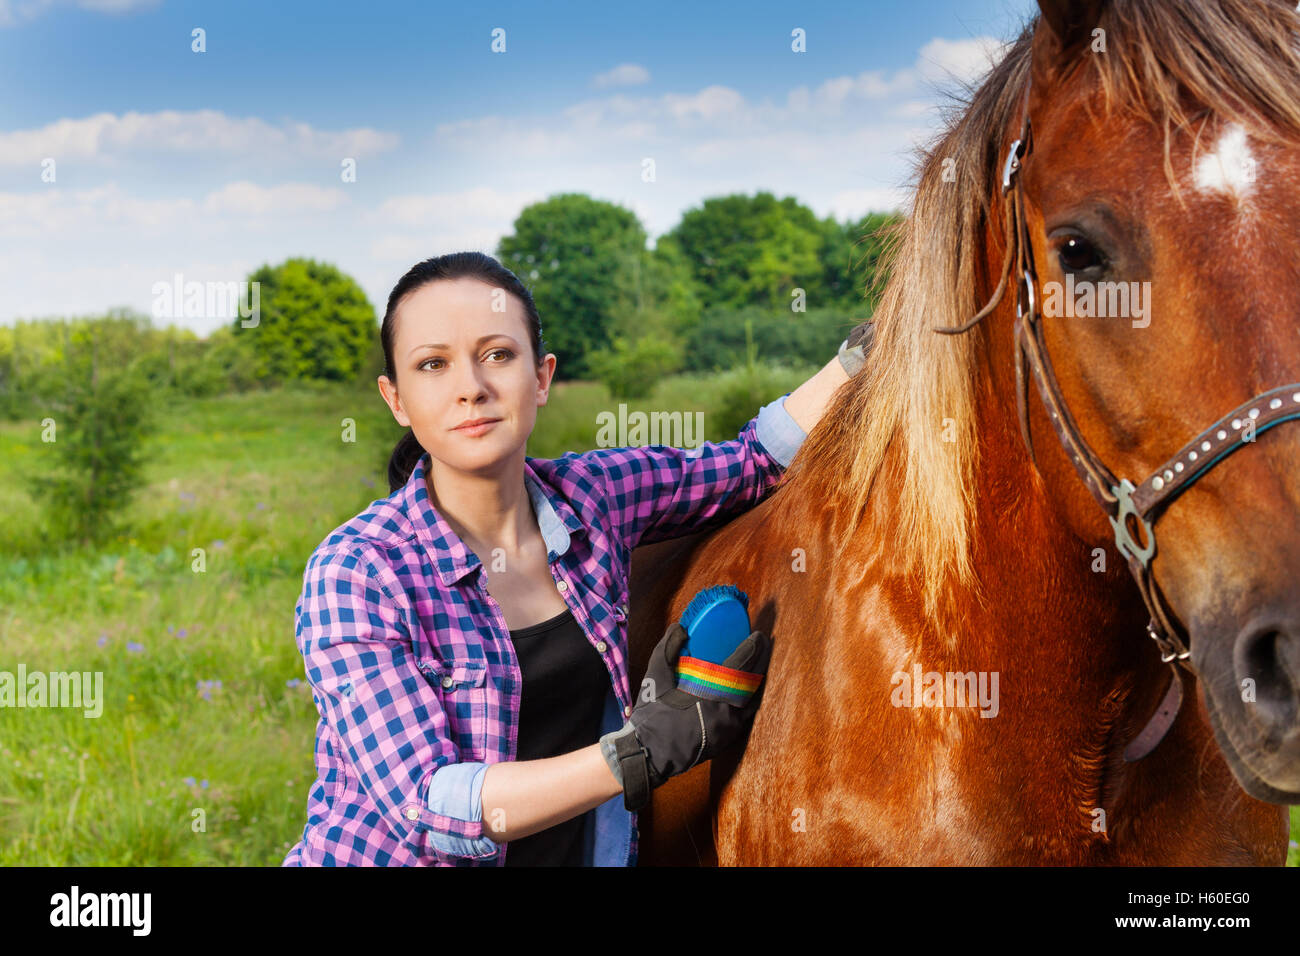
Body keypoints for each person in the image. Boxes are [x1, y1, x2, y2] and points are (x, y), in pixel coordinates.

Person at [281, 251, 869, 866]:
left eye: (498, 355)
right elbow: (432, 807)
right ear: (396, 399)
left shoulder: (595, 497)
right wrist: (637, 752)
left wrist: (861, 358)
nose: (471, 389)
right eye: (433, 365)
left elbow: (753, 461)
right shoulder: (358, 571)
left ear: (541, 376)